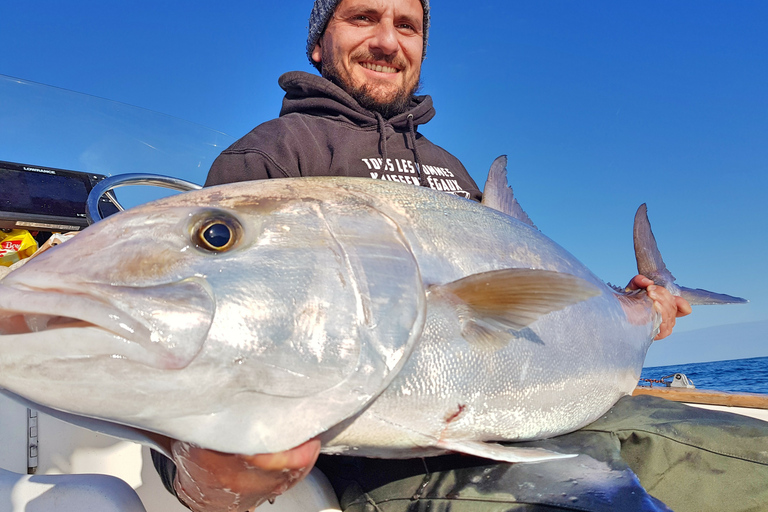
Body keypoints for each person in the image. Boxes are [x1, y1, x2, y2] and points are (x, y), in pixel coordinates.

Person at [153, 0, 739, 510]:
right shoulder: (272, 159)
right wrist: (208, 473)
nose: (387, 41)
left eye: (407, 26)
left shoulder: (450, 169)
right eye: (362, 17)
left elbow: (536, 307)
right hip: (402, 465)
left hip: (545, 419)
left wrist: (640, 310)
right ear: (317, 42)